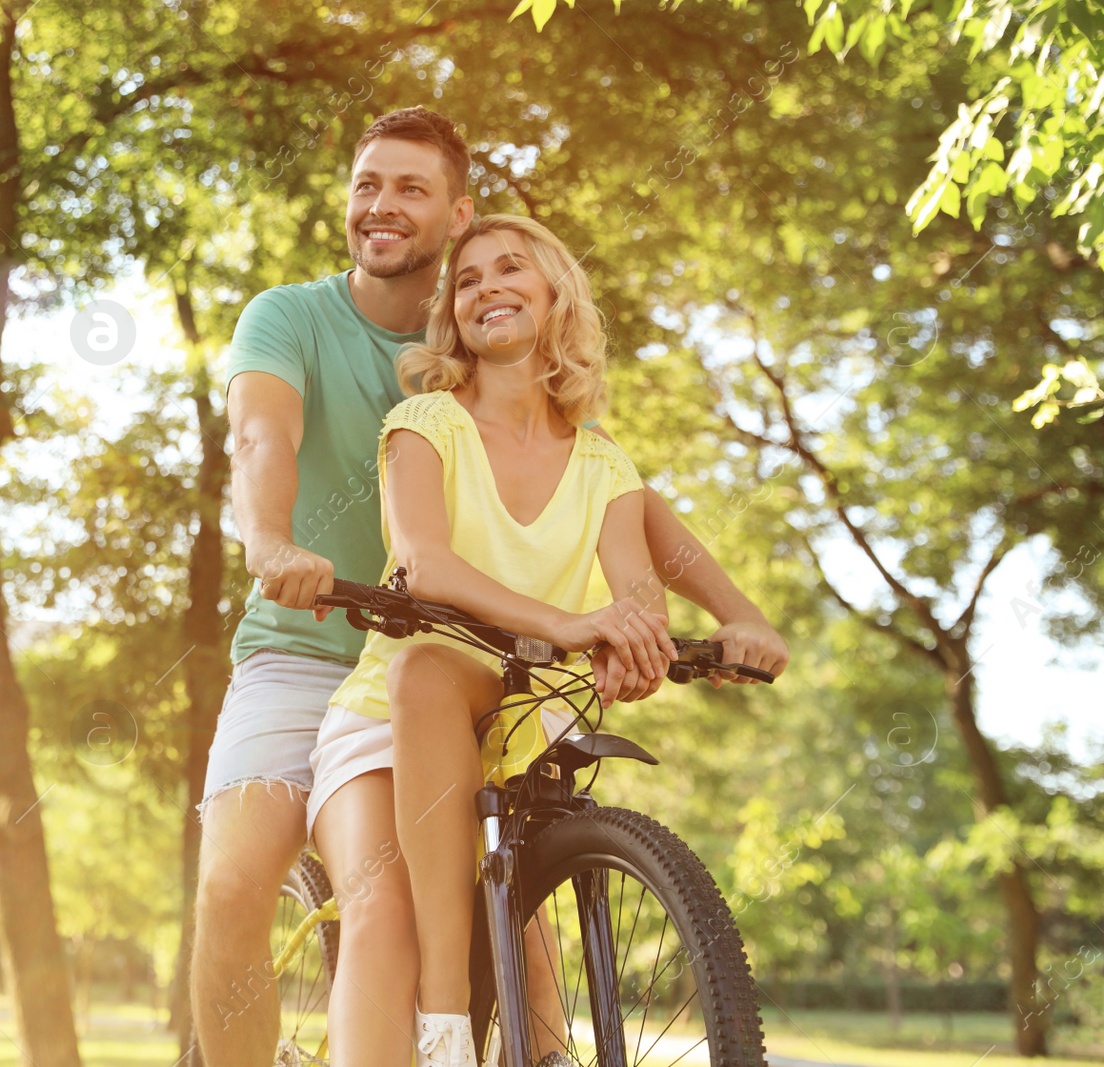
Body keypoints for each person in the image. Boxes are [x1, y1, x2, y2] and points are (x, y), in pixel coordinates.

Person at [191, 106, 788, 1067]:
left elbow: (626, 499)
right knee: (237, 883)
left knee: (510, 895)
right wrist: (269, 542)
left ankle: (527, 1048)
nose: (380, 206)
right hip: (314, 646)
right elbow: (264, 437)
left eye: (411, 188)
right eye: (366, 186)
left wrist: (710, 616)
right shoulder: (301, 324)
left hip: (486, 654)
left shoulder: (504, 366)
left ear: (458, 213)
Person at [308, 213, 674, 1067]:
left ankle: (529, 1046)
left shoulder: (604, 462)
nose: (486, 288)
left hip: (515, 721)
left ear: (555, 300)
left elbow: (634, 591)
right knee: (382, 910)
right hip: (386, 723)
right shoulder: (422, 423)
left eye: (511, 270)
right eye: (467, 280)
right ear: (454, 319)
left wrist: (637, 642)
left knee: (520, 917)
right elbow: (425, 565)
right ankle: (444, 1025)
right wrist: (568, 623)